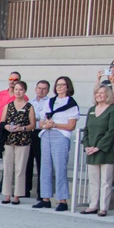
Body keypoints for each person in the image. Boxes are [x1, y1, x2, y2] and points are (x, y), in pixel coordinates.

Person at [34, 76, 79, 211]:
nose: (59, 87)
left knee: (60, 167)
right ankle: (45, 198)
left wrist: (55, 124)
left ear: (68, 87)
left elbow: (71, 125)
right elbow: (41, 121)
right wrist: (46, 125)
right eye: (57, 85)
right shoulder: (50, 101)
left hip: (60, 135)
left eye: (62, 85)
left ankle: (62, 200)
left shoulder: (71, 103)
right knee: (45, 166)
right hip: (47, 134)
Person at [79, 85, 114, 216]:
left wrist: (98, 147)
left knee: (106, 181)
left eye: (102, 93)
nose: (99, 95)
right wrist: (87, 146)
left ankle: (103, 207)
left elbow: (112, 131)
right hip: (91, 149)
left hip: (106, 149)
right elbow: (86, 130)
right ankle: (93, 205)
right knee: (93, 180)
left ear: (108, 95)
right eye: (97, 92)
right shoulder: (92, 110)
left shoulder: (113, 110)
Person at [0, 80, 35, 204]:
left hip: (23, 140)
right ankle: (7, 194)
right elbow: (2, 121)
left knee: (20, 168)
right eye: (16, 90)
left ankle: (17, 195)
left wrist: (22, 128)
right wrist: (7, 127)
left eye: (20, 89)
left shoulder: (29, 107)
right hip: (9, 139)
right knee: (8, 167)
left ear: (24, 91)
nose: (18, 92)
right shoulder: (8, 106)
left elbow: (32, 124)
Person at [0, 71, 20, 189]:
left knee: (7, 159)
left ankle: (3, 185)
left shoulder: (21, 96)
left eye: (16, 79)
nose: (13, 81)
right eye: (11, 78)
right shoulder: (1, 94)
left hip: (10, 131)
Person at [27, 80, 50, 199]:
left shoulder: (49, 102)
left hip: (41, 133)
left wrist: (34, 118)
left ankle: (41, 193)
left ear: (48, 90)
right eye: (39, 88)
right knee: (27, 162)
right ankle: (26, 190)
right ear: (35, 89)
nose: (41, 90)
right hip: (29, 133)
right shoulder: (30, 102)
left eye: (44, 88)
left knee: (41, 163)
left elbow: (44, 118)